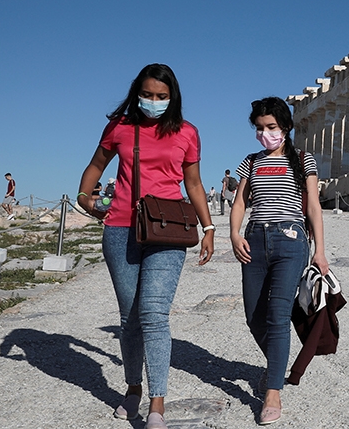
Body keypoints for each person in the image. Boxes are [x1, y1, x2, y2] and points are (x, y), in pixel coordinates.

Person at [76, 63, 215, 429]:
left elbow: (195, 184)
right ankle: (133, 389)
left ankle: (157, 405)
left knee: (154, 314)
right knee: (130, 319)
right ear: (137, 93)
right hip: (120, 228)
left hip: (168, 230)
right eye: (148, 95)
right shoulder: (119, 127)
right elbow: (95, 166)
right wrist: (84, 197)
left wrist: (209, 227)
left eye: (162, 97)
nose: (154, 102)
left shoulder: (187, 133)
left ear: (173, 98)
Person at [230, 96, 327, 426]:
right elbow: (240, 203)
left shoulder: (302, 159)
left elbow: (313, 205)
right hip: (255, 239)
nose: (264, 133)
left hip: (291, 239)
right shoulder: (251, 161)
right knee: (253, 317)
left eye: (270, 127)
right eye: (259, 128)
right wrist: (234, 233)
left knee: (278, 313)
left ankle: (272, 391)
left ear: (285, 126)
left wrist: (321, 250)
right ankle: (276, 365)